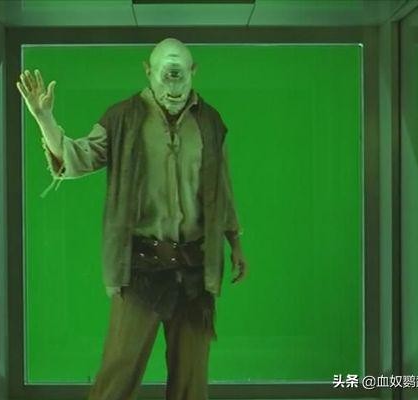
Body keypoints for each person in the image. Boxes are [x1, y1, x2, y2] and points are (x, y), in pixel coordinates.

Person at [16, 37, 248, 400]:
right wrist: (45, 119)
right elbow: (79, 157)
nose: (173, 87)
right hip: (140, 267)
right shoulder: (122, 117)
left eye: (180, 76)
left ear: (193, 71)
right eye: (165, 75)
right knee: (118, 373)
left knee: (191, 381)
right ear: (148, 71)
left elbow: (222, 188)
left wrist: (235, 242)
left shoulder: (211, 122)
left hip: (194, 268)